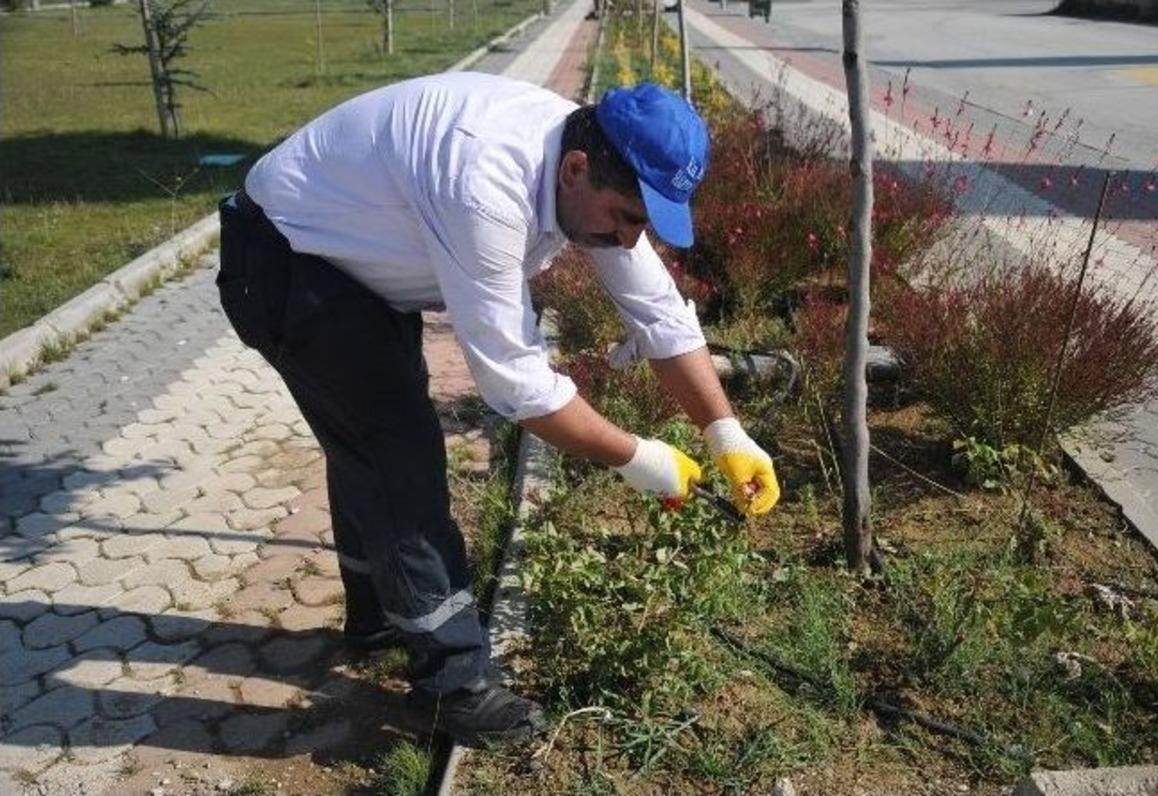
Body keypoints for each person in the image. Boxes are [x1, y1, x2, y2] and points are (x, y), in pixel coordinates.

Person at [215, 71, 779, 748]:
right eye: (627, 219)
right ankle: (452, 687)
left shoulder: (589, 159)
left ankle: (377, 615)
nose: (631, 241)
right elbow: (516, 386)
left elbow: (656, 311)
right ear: (576, 169)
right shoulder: (486, 179)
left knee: (367, 437)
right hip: (284, 260)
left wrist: (726, 431)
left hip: (347, 268)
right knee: (398, 456)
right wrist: (637, 457)